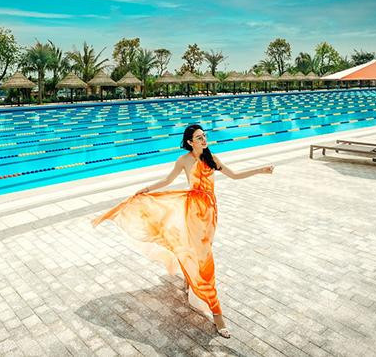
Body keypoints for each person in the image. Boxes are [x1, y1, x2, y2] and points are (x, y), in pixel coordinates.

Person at [92, 124, 274, 338]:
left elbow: (234, 175)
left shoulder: (211, 158)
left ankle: (189, 278)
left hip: (210, 213)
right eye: (199, 138)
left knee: (199, 250)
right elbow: (167, 180)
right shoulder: (184, 161)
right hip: (193, 212)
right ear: (189, 142)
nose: (204, 140)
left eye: (204, 136)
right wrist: (146, 189)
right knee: (204, 259)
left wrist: (260, 170)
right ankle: (217, 314)